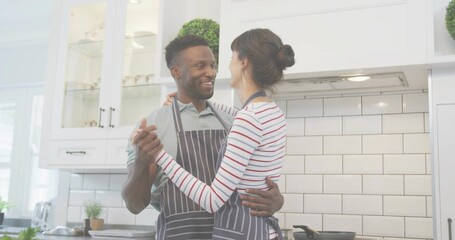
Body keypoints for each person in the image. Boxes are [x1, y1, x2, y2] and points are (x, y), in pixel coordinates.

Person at [121, 34, 285, 240]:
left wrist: (276, 200)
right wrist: (141, 162)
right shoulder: (152, 127)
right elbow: (134, 205)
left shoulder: (233, 119)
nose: (211, 73)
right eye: (200, 66)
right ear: (176, 72)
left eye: (213, 65)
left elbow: (256, 178)